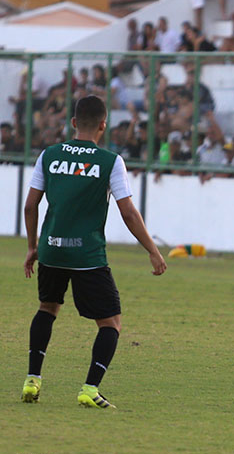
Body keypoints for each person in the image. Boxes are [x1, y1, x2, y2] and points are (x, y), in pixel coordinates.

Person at [21, 95, 167, 409]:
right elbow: (128, 213)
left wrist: (33, 246)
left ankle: (32, 380)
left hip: (51, 250)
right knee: (111, 323)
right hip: (87, 255)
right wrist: (153, 250)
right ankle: (89, 388)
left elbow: (30, 206)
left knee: (47, 308)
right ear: (103, 125)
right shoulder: (110, 161)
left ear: (73, 122)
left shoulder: (49, 155)